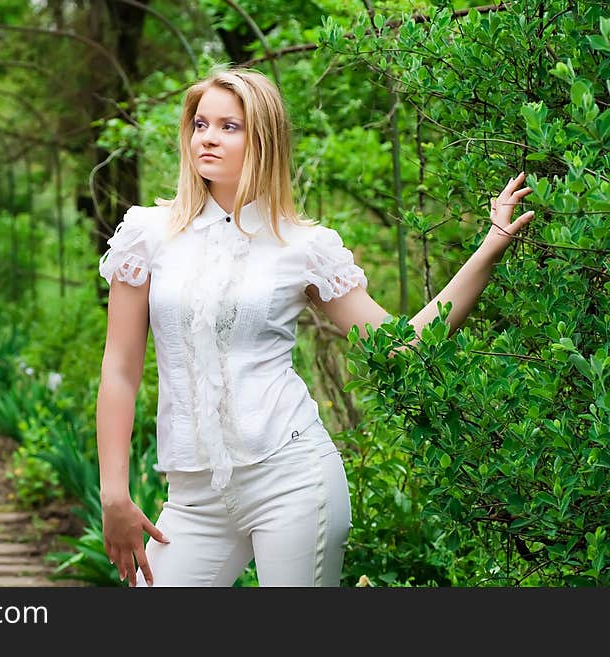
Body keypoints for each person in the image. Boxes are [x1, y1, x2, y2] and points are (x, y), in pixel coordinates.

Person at [95, 66, 534, 587]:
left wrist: (490, 246)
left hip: (292, 479)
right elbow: (120, 369)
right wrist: (114, 493)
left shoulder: (302, 247)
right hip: (193, 498)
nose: (207, 137)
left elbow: (403, 346)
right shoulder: (147, 233)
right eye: (200, 123)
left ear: (263, 140)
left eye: (229, 126)